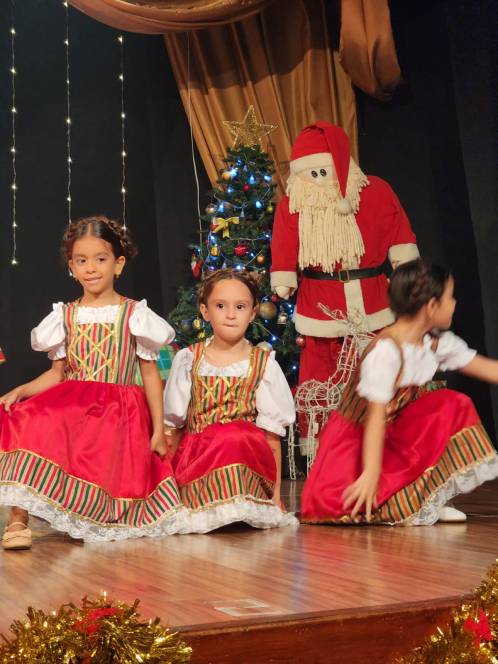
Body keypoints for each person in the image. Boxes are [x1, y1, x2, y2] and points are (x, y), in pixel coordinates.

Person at [0, 215, 189, 549]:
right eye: (81, 260)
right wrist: (21, 390)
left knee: (89, 436)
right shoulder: (65, 315)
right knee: (30, 418)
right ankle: (18, 516)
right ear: (71, 267)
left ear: (118, 264)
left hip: (119, 409)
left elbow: (149, 374)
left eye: (100, 259)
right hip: (75, 401)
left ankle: (93, 510)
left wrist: (158, 429)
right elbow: (57, 373)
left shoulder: (135, 314)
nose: (90, 268)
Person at [301, 258, 498, 525]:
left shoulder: (433, 344)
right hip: (357, 444)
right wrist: (370, 473)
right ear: (431, 306)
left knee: (452, 404)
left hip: (394, 435)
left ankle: (427, 497)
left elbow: (488, 369)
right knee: (345, 506)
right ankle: (401, 499)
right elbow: (374, 419)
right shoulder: (386, 351)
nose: (454, 304)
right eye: (450, 298)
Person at [163, 269, 298, 532]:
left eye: (240, 307)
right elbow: (175, 428)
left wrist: (275, 496)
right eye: (221, 306)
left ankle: (242, 501)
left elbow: (272, 436)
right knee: (226, 437)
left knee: (235, 435)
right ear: (205, 311)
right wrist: (169, 487)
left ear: (253, 312)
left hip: (245, 456)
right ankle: (207, 502)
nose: (231, 315)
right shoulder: (189, 359)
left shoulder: (263, 364)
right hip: (200, 460)